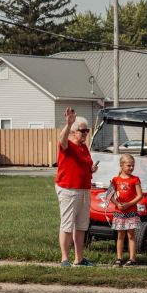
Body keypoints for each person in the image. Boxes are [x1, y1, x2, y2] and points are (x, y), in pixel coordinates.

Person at [55, 108, 98, 267]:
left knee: (81, 225)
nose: (86, 133)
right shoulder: (68, 146)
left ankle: (79, 259)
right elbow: (62, 139)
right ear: (73, 132)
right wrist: (69, 124)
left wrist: (90, 170)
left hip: (84, 189)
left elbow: (84, 164)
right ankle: (64, 259)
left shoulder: (83, 147)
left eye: (87, 131)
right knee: (67, 225)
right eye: (83, 131)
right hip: (69, 189)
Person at [110, 153, 142, 267]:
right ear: (121, 165)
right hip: (119, 213)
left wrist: (129, 204)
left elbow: (139, 195)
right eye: (129, 165)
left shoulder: (135, 179)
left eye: (132, 165)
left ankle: (132, 258)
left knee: (131, 235)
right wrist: (117, 204)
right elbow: (109, 195)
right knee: (120, 236)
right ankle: (119, 258)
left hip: (131, 212)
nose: (131, 168)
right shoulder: (115, 180)